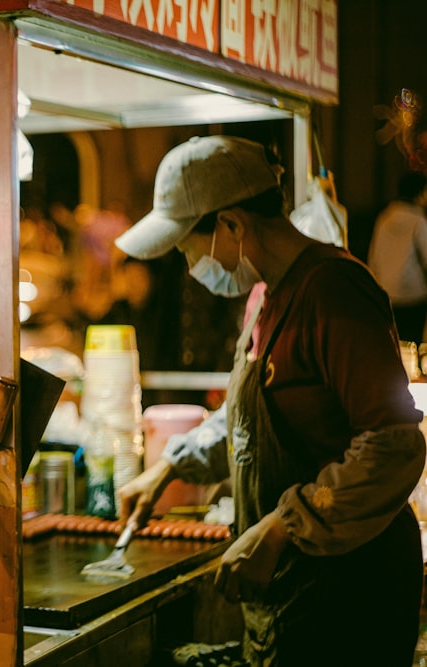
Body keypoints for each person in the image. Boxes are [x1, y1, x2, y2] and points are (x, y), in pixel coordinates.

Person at [113, 135, 426, 666]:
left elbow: (391, 447)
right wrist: (170, 464)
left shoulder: (333, 292)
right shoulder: (267, 296)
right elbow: (250, 418)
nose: (189, 265)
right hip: (293, 592)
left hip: (348, 598)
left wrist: (284, 524)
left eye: (188, 247)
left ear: (232, 225)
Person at [367, 170, 427, 342]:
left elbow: (373, 257)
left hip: (387, 294)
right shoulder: (418, 221)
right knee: (414, 345)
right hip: (414, 295)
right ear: (420, 193)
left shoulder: (384, 218)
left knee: (396, 344)